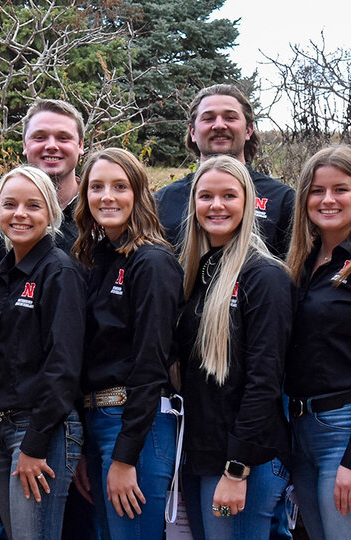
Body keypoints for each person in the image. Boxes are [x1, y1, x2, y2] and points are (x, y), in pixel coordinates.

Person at [176, 155, 293, 539]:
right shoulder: (195, 272)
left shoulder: (265, 276)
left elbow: (265, 380)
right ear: (193, 204)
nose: (217, 205)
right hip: (202, 455)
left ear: (248, 202)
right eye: (206, 196)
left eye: (229, 195)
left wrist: (237, 468)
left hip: (246, 462)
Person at [72, 148, 184, 538]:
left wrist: (125, 455)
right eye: (97, 187)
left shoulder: (152, 261)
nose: (107, 196)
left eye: (120, 186)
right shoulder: (97, 259)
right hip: (98, 420)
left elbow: (151, 360)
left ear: (138, 193)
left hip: (139, 423)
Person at [0, 165, 85, 539]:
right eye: (9, 204)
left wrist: (36, 442)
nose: (20, 214)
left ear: (51, 213)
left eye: (33, 205)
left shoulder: (59, 271)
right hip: (0, 428)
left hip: (42, 428)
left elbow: (63, 365)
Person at [285, 145, 351, 539]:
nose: (327, 200)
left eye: (340, 189)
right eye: (316, 190)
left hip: (342, 430)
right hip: (300, 430)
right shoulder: (300, 263)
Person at [155, 84, 295, 258]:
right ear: (192, 131)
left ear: (248, 130)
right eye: (208, 118)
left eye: (230, 117)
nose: (219, 125)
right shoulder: (163, 201)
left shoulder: (283, 200)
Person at [0, 99, 85, 273]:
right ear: (25, 145)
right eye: (39, 137)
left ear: (80, 145)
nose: (51, 146)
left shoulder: (97, 214)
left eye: (63, 138)